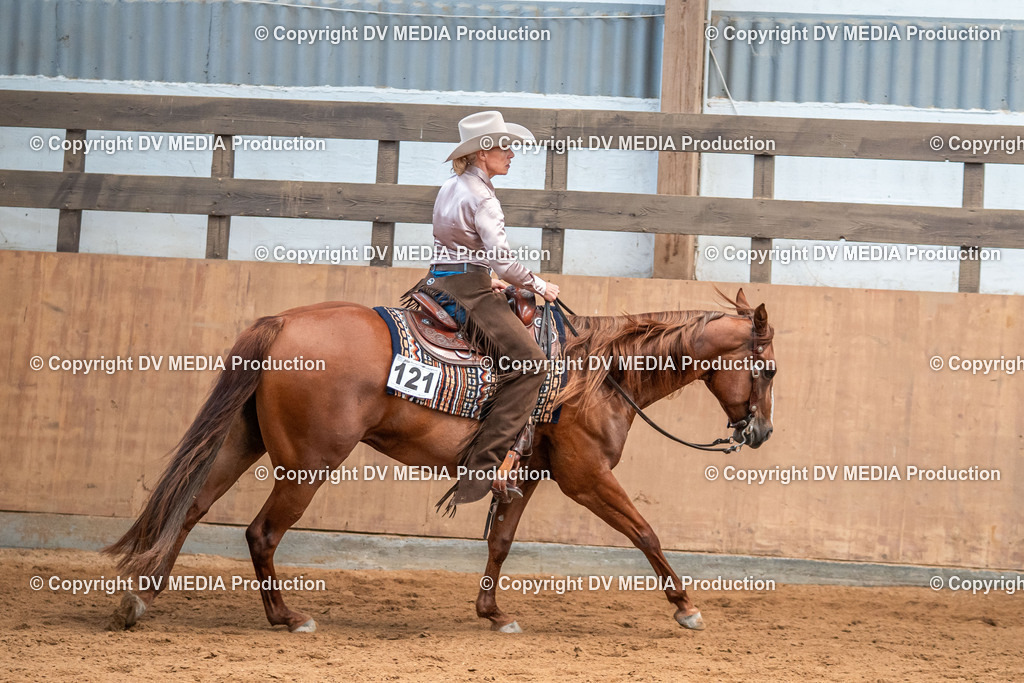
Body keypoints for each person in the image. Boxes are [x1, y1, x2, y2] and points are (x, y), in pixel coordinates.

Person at [405, 111, 560, 507]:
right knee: (531, 364)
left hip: (438, 281)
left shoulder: (450, 186)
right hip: (466, 291)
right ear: (482, 153)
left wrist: (480, 274)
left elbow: (450, 245)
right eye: (504, 147)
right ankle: (483, 467)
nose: (511, 154)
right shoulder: (485, 198)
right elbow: (504, 263)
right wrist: (540, 285)